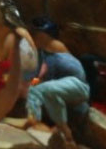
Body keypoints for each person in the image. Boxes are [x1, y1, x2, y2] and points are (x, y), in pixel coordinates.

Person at [24, 17, 90, 147]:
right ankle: (38, 121)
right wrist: (31, 84)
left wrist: (34, 83)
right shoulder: (43, 53)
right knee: (36, 89)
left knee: (40, 89)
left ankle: (36, 121)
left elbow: (46, 74)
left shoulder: (54, 46)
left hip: (77, 86)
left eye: (36, 34)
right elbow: (40, 77)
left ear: (44, 34)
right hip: (62, 92)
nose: (32, 37)